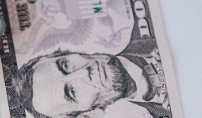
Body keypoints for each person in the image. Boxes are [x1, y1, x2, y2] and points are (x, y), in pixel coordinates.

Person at [14, 39, 171, 118]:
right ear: (90, 114)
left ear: (69, 52)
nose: (84, 73)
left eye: (65, 66)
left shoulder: (151, 34)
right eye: (72, 92)